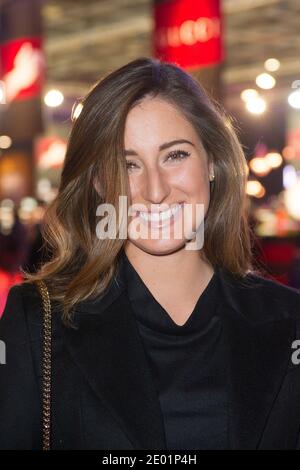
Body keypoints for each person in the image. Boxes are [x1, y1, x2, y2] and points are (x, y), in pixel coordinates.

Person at [0, 57, 300, 450]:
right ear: (97, 183)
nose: (154, 190)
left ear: (212, 161)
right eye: (127, 164)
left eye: (175, 155)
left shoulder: (290, 318)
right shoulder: (37, 319)